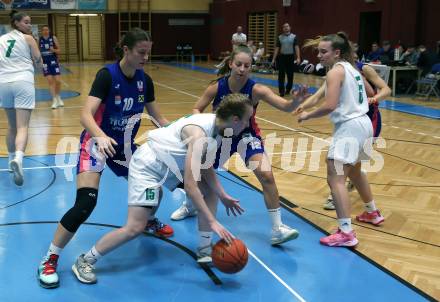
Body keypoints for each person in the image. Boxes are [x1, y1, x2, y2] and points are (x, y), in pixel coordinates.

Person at [37, 28, 173, 289]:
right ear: (126, 50)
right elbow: (86, 114)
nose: (146, 57)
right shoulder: (107, 76)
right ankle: (49, 258)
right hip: (96, 144)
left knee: (153, 186)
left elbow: (158, 117)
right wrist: (99, 136)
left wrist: (180, 131)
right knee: (85, 204)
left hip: (124, 148)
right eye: (141, 52)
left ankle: (148, 220)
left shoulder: (146, 81)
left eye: (148, 52)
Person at [71, 94, 250, 284]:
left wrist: (222, 195)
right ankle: (85, 259)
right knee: (135, 227)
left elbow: (205, 167)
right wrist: (212, 221)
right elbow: (190, 186)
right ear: (235, 119)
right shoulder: (199, 135)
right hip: (149, 166)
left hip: (170, 163)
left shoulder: (219, 129)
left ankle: (205, 251)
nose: (247, 125)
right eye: (247, 120)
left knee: (210, 192)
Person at [171, 45, 310, 249]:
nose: (242, 69)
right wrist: (203, 126)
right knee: (200, 177)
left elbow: (285, 106)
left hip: (246, 135)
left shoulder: (257, 90)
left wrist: (295, 101)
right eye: (239, 64)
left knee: (266, 175)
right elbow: (196, 108)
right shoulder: (217, 87)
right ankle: (190, 205)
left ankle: (277, 228)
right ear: (230, 64)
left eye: (247, 65)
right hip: (220, 136)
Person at [296, 32, 385, 247]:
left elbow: (329, 105)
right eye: (318, 51)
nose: (319, 55)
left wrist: (307, 115)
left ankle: (346, 232)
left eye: (323, 51)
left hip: (350, 127)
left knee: (335, 178)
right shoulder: (353, 69)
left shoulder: (336, 72)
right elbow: (371, 91)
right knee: (355, 171)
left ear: (336, 52)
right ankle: (372, 212)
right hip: (365, 124)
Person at [298, 49, 391, 210]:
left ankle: (339, 201)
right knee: (352, 165)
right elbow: (317, 96)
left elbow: (386, 90)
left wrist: (374, 98)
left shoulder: (363, 69)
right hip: (351, 122)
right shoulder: (337, 72)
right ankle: (371, 210)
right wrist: (300, 106)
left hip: (369, 119)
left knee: (341, 163)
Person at [0, 11, 42, 186]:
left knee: (11, 126)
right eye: (26, 22)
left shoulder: (1, 40)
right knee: (22, 126)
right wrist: (37, 63)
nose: (29, 25)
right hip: (22, 80)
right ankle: (18, 158)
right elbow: (39, 61)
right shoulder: (29, 39)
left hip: (3, 82)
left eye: (30, 22)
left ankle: (10, 161)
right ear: (16, 23)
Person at [271, 23, 301, 96]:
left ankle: (288, 89)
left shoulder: (294, 37)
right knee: (281, 75)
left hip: (290, 57)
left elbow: (296, 47)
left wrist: (298, 57)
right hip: (282, 57)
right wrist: (273, 59)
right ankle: (281, 91)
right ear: (283, 29)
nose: (286, 28)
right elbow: (277, 49)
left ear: (290, 27)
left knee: (290, 75)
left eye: (287, 26)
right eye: (284, 27)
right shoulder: (280, 37)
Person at [39, 25, 63, 109]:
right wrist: (40, 60)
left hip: (53, 62)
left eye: (47, 29)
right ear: (42, 31)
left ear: (49, 31)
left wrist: (54, 50)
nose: (45, 31)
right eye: (44, 30)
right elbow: (37, 52)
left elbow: (59, 51)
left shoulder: (53, 38)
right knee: (50, 81)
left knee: (58, 81)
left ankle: (58, 96)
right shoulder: (40, 40)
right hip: (45, 63)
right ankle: (54, 100)